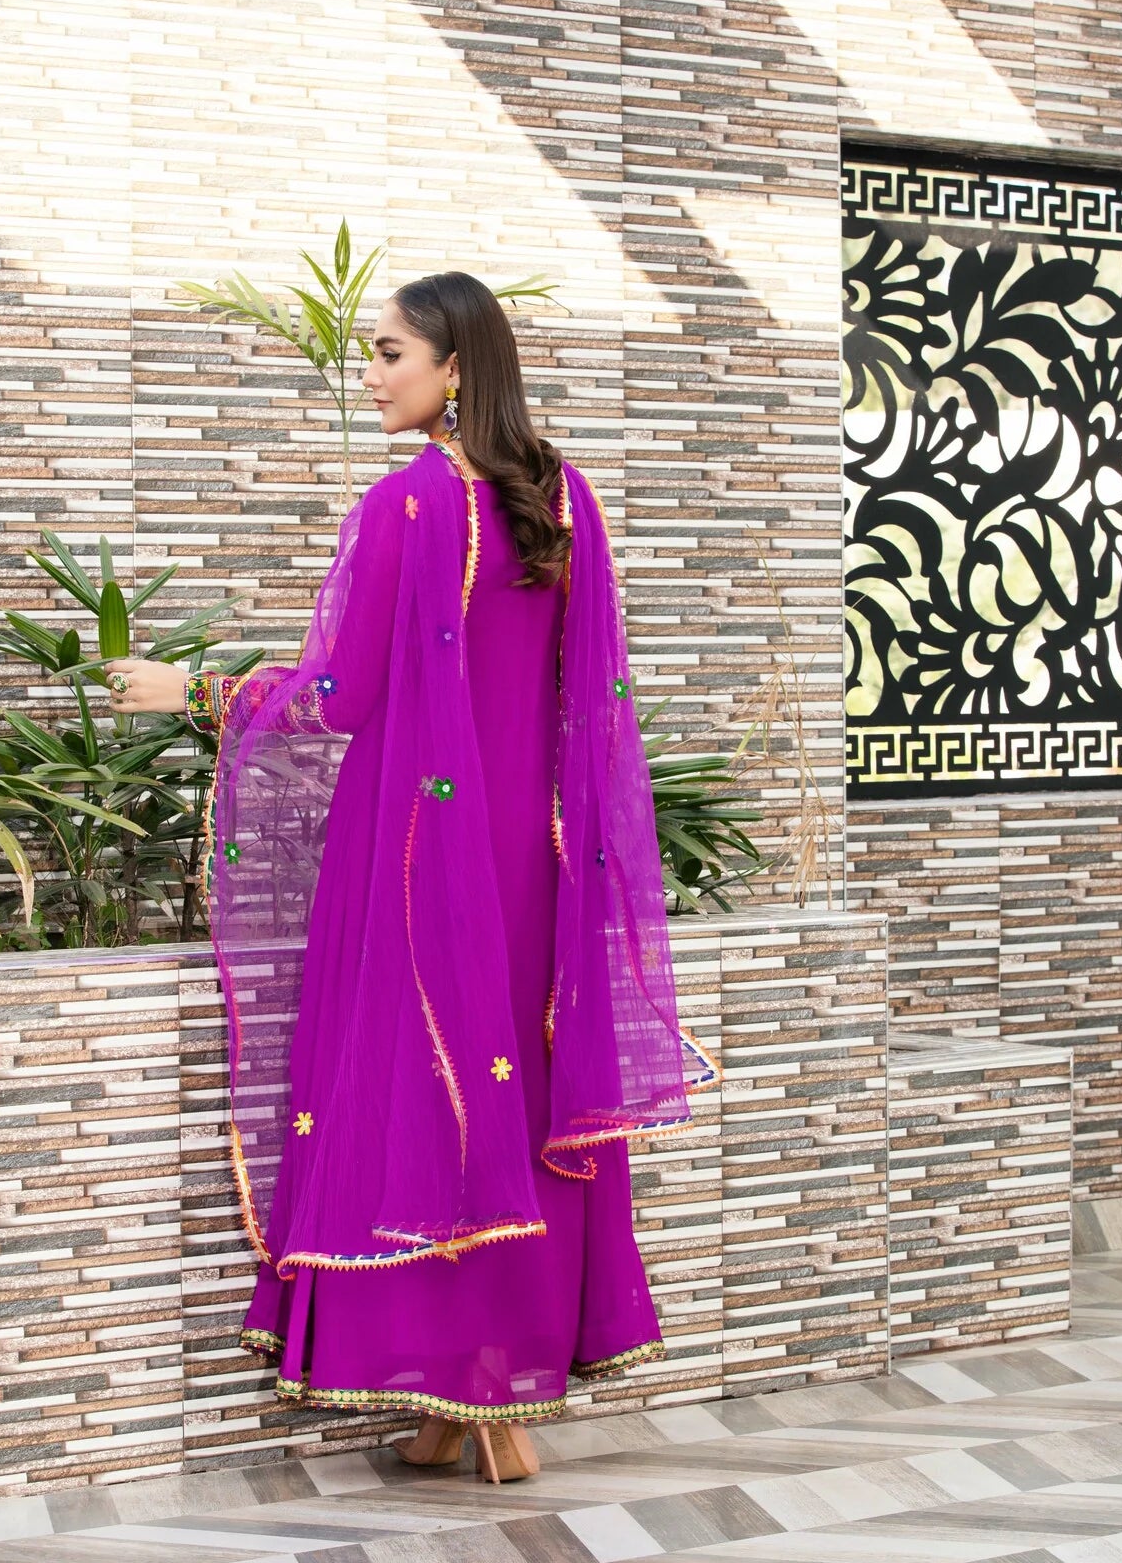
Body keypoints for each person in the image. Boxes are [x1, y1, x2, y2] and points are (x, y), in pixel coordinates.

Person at [106, 270, 719, 1484]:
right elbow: (581, 701)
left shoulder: (407, 504)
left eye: (389, 352)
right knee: (508, 1096)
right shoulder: (564, 500)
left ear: (455, 366)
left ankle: (480, 1397)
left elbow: (339, 696)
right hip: (533, 863)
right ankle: (473, 1393)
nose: (372, 373)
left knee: (425, 1096)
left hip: (413, 860)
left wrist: (195, 690)